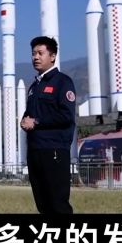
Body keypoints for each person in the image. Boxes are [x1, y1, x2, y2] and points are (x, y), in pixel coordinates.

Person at [20, 36, 76, 214]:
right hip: (35, 151)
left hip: (54, 151)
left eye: (40, 53)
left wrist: (36, 122)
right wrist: (24, 120)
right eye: (33, 53)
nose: (35, 57)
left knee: (58, 204)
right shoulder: (34, 87)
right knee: (42, 204)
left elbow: (66, 116)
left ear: (52, 56)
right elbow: (31, 113)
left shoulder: (62, 82)